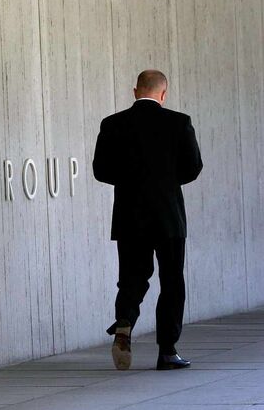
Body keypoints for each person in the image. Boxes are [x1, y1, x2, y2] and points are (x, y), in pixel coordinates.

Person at [93, 70, 203, 370]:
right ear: (163, 94)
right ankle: (167, 351)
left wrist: (132, 182)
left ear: (135, 91)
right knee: (172, 281)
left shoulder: (113, 124)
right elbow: (193, 167)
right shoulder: (179, 122)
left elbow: (101, 170)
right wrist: (166, 181)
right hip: (169, 216)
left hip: (129, 216)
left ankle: (124, 323)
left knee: (132, 277)